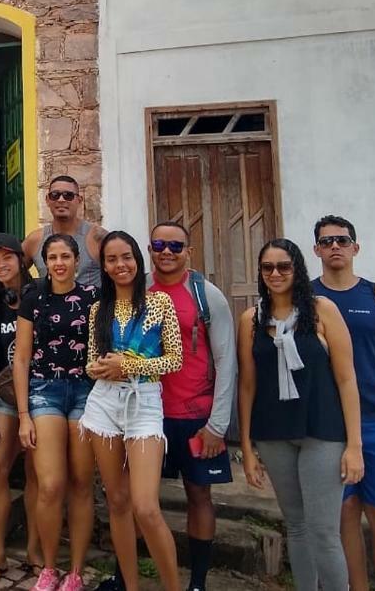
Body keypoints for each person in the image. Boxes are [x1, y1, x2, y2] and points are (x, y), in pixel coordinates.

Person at [237, 238, 364, 591]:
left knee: (324, 530)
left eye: (284, 266)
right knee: (296, 525)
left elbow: (346, 378)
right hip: (274, 431)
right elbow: (247, 386)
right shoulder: (251, 318)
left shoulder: (323, 310)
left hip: (322, 429)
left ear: (297, 268)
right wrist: (247, 448)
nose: (275, 273)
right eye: (268, 268)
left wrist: (355, 445)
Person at [79, 230, 182, 591]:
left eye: (126, 257)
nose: (120, 265)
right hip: (104, 404)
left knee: (145, 507)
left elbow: (175, 360)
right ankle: (130, 586)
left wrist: (131, 365)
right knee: (118, 501)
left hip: (145, 403)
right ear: (104, 267)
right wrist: (104, 368)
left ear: (137, 261)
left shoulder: (160, 304)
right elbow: (91, 363)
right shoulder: (97, 310)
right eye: (111, 260)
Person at [149, 222, 235, 591]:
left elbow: (226, 359)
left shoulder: (207, 295)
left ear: (188, 250)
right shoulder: (139, 290)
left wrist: (218, 424)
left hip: (195, 415)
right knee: (141, 498)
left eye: (175, 245)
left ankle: (197, 582)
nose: (166, 251)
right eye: (158, 244)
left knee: (199, 495)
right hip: (148, 414)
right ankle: (129, 573)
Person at [311, 215, 375, 591]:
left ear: (355, 248)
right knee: (343, 515)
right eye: (327, 242)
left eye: (342, 240)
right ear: (316, 250)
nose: (335, 247)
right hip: (328, 426)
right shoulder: (306, 299)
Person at [14, 233, 98, 591]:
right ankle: (49, 567)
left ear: (77, 261)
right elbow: (20, 358)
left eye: (66, 256)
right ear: (44, 262)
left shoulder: (93, 299)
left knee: (81, 483)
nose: (59, 263)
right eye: (53, 257)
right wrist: (22, 415)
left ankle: (75, 572)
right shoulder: (33, 298)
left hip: (85, 393)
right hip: (44, 391)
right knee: (50, 485)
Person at [0, 233, 42, 581]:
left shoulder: (40, 296)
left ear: (20, 259)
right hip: (5, 398)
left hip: (41, 397)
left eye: (7, 258)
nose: (1, 266)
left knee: (36, 474)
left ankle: (34, 551)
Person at [23, 175, 105, 290]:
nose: (61, 200)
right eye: (55, 195)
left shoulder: (96, 237)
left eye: (68, 195)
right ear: (47, 200)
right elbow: (13, 272)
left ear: (79, 200)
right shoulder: (35, 240)